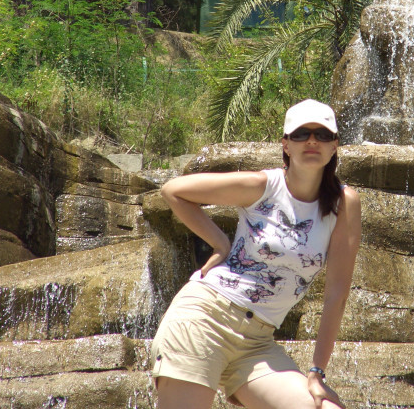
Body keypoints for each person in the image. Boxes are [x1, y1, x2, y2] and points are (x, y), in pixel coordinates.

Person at [151, 99, 362, 409]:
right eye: (301, 134)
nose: (312, 141)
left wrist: (317, 372)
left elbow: (336, 294)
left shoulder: (344, 203)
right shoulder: (263, 186)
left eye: (322, 134)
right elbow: (174, 191)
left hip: (257, 343)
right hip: (205, 318)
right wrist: (221, 243)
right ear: (286, 145)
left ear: (334, 146)